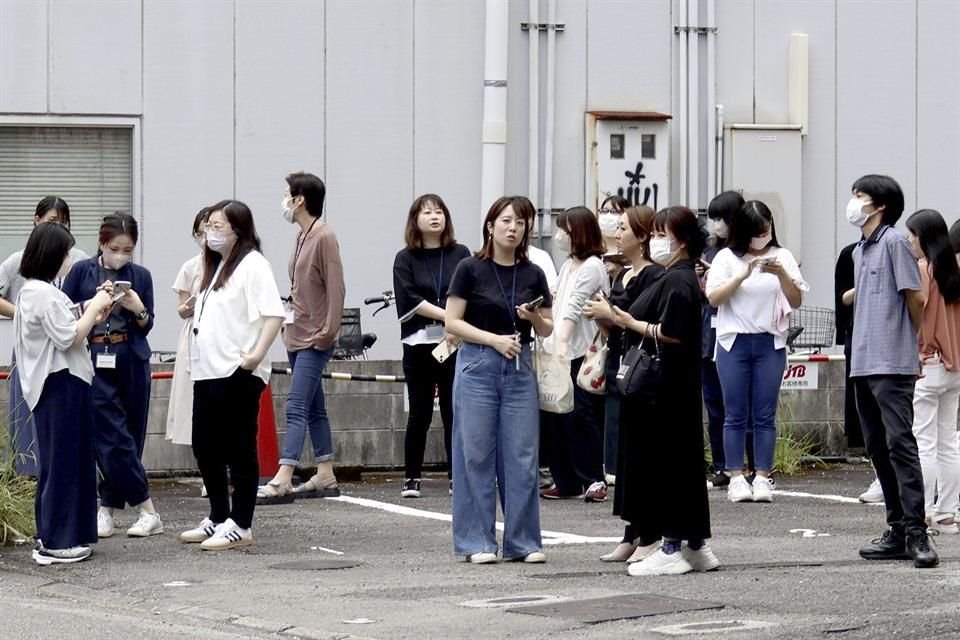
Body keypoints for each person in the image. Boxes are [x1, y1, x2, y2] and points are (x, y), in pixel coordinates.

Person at [445, 195, 553, 564]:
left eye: (520, 223)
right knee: (475, 453)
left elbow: (548, 326)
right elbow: (452, 322)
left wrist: (532, 317)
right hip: (477, 364)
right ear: (490, 225)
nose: (513, 228)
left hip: (520, 367)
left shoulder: (533, 273)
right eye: (506, 221)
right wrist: (493, 339)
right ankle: (477, 542)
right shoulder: (469, 268)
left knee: (522, 456)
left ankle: (523, 542)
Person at [608, 206, 716, 576]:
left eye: (660, 233)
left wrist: (629, 322)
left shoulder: (676, 281)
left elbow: (674, 333)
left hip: (668, 388)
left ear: (681, 240)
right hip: (680, 386)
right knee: (685, 464)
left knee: (672, 465)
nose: (655, 240)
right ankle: (697, 545)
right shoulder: (682, 277)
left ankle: (671, 546)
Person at [844, 174, 937, 568]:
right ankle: (897, 528)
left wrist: (913, 340)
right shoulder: (859, 252)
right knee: (878, 448)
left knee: (901, 444)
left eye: (859, 196)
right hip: (863, 361)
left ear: (879, 205)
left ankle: (916, 531)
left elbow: (915, 298)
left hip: (892, 360)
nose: (852, 203)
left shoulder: (895, 242)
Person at [180, 200, 284, 551]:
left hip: (237, 370)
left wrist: (255, 356)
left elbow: (274, 314)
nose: (211, 233)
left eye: (218, 226)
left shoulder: (253, 264)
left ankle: (241, 522)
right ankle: (218, 516)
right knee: (204, 445)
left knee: (239, 446)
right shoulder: (215, 266)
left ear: (238, 229)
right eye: (208, 226)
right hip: (208, 370)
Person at [14, 222, 113, 565]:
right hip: (61, 383)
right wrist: (98, 302)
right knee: (65, 462)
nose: (69, 258)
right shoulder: (41, 292)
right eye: (66, 251)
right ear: (52, 255)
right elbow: (69, 337)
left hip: (56, 384)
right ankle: (58, 542)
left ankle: (57, 535)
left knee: (61, 461)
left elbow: (66, 324)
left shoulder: (33, 290)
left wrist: (91, 311)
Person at [62, 213, 163, 539]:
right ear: (102, 243)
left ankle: (106, 508)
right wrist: (95, 303)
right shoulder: (82, 270)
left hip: (130, 358)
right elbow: (65, 312)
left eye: (128, 249)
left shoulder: (141, 276)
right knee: (109, 434)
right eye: (115, 247)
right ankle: (146, 509)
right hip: (93, 355)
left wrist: (136, 307)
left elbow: (148, 325)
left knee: (130, 435)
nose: (121, 255)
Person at [705, 201, 807, 503]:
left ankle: (763, 476)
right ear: (744, 232)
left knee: (764, 413)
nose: (765, 235)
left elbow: (796, 300)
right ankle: (735, 475)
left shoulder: (783, 256)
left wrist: (781, 275)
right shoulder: (726, 258)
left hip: (770, 342)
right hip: (733, 341)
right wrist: (741, 276)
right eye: (758, 231)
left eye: (768, 229)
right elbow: (713, 298)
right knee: (734, 412)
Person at [583, 205, 664, 563]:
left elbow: (642, 322)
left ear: (643, 235)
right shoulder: (621, 276)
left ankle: (650, 532)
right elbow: (612, 329)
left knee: (645, 452)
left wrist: (609, 314)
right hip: (620, 366)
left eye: (624, 228)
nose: (618, 234)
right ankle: (630, 532)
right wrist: (603, 318)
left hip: (644, 372)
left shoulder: (654, 277)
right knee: (625, 454)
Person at [257, 173, 345, 502]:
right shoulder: (300, 236)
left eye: (286, 195)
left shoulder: (324, 236)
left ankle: (283, 476)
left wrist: (328, 332)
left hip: (315, 337)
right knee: (313, 407)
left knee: (295, 404)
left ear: (300, 200)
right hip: (298, 333)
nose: (283, 201)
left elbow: (336, 287)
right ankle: (325, 473)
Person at [1, 196, 88, 477]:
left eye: (64, 223)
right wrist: (27, 315)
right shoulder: (21, 263)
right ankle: (27, 474)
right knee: (27, 415)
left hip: (65, 355)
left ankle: (51, 475)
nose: (59, 228)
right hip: (35, 349)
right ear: (36, 221)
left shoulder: (78, 259)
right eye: (52, 222)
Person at [392, 194, 471, 498]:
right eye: (427, 213)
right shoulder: (405, 258)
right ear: (415, 220)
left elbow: (469, 291)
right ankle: (412, 476)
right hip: (419, 344)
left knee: (454, 410)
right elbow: (409, 300)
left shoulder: (461, 253)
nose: (435, 217)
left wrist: (455, 326)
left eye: (439, 211)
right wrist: (449, 317)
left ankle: (457, 476)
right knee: (420, 412)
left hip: (454, 343)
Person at [539, 207, 609, 502]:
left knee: (581, 417)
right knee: (555, 416)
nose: (560, 235)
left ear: (578, 233)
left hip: (577, 352)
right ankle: (566, 479)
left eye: (565, 229)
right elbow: (559, 302)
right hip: (558, 349)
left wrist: (561, 345)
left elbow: (573, 308)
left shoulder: (593, 266)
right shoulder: (569, 264)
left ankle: (594, 478)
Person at [904, 209, 960, 534]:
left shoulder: (923, 270)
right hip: (955, 367)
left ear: (924, 237)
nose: (909, 240)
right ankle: (948, 514)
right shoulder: (954, 271)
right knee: (948, 441)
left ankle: (922, 512)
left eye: (912, 234)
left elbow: (918, 314)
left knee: (923, 441)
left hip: (928, 363)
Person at [699, 191, 743, 489]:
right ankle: (721, 464)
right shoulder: (710, 252)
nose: (717, 225)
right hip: (708, 335)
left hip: (734, 335)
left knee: (738, 405)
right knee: (714, 404)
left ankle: (744, 464)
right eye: (712, 218)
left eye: (722, 218)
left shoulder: (745, 253)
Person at [165, 208, 209, 447]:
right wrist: (193, 304)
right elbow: (181, 309)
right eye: (200, 233)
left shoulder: (232, 265)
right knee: (192, 401)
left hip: (221, 337)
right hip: (194, 335)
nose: (205, 239)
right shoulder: (190, 267)